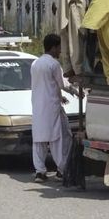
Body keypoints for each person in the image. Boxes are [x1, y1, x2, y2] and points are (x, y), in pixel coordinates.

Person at [30, 34, 77, 183]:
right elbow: (62, 84)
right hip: (52, 108)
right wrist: (77, 91)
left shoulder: (35, 64)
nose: (60, 52)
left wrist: (59, 96)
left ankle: (40, 172)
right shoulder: (54, 64)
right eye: (59, 48)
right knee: (58, 139)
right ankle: (62, 171)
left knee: (39, 139)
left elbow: (47, 85)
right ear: (53, 47)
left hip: (38, 106)